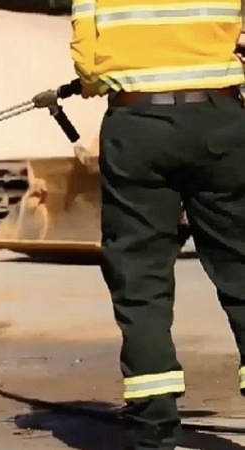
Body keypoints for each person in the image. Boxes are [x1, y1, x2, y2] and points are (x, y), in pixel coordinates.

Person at [69, 0, 245, 448]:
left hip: (138, 126)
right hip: (220, 123)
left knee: (141, 281)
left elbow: (89, 70)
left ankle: (155, 427)